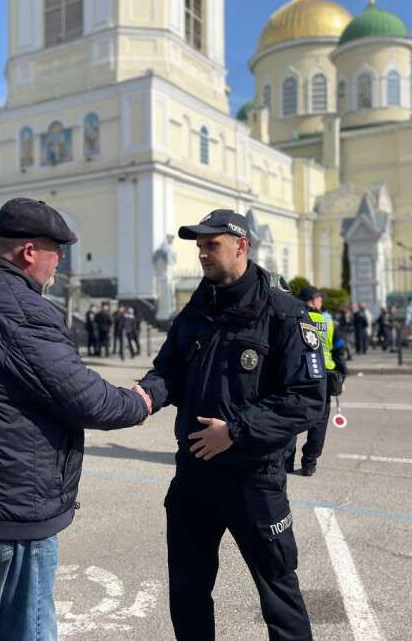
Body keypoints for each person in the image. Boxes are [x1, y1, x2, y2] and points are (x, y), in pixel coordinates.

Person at [0, 198, 150, 640]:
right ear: (30, 251)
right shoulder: (21, 311)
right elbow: (84, 397)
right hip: (15, 501)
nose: (61, 263)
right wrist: (139, 402)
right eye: (57, 251)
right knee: (28, 622)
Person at [135, 209, 325, 641]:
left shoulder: (285, 314)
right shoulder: (195, 312)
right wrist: (144, 395)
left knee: (278, 590)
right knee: (187, 589)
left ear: (241, 246)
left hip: (254, 479)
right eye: (199, 246)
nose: (202, 254)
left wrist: (235, 431)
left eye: (211, 245)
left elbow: (306, 400)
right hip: (194, 475)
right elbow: (168, 370)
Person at [285, 286, 339, 476]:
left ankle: (286, 462)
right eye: (319, 298)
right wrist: (343, 375)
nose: (321, 301)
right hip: (323, 374)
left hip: (299, 373)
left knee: (289, 416)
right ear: (312, 300)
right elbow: (338, 348)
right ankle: (309, 463)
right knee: (319, 422)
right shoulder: (327, 320)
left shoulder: (294, 317)